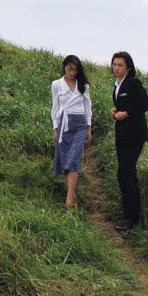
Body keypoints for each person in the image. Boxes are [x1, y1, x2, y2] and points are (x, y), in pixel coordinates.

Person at [110, 51, 148, 238]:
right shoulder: (118, 85)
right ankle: (131, 220)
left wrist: (125, 113)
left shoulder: (133, 83)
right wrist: (116, 110)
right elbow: (127, 105)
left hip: (134, 136)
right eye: (114, 64)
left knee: (125, 175)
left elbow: (146, 103)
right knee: (127, 176)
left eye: (120, 65)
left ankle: (135, 223)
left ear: (128, 67)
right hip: (123, 136)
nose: (116, 67)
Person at [51, 55, 92, 209]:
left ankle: (68, 202)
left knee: (74, 159)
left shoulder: (83, 85)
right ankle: (73, 195)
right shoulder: (56, 85)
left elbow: (88, 108)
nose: (72, 72)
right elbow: (55, 108)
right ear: (64, 67)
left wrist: (89, 128)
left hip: (80, 125)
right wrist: (56, 129)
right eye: (69, 68)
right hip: (64, 125)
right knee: (66, 161)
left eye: (75, 69)